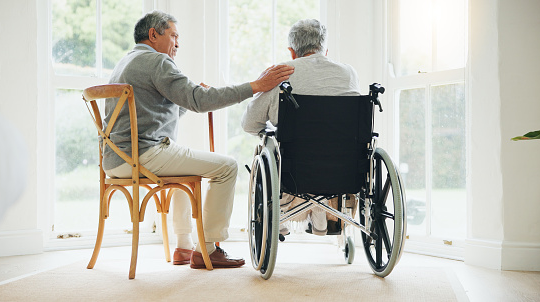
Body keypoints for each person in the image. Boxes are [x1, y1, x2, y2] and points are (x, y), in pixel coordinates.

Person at [103, 10, 294, 269]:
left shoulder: (125, 63)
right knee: (227, 167)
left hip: (115, 160)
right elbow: (199, 102)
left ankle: (183, 246)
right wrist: (256, 86)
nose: (178, 44)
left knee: (185, 169)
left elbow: (164, 109)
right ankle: (208, 248)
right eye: (174, 36)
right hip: (145, 154)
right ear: (153, 34)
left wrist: (192, 99)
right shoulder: (157, 62)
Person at [241, 19, 360, 236]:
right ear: (325, 50)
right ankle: (323, 212)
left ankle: (286, 214)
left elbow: (249, 124)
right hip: (344, 171)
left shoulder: (280, 74)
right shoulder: (348, 73)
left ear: (291, 52)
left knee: (271, 140)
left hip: (294, 171)